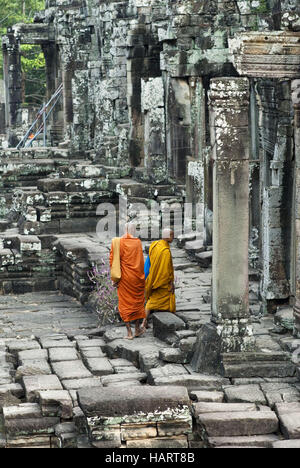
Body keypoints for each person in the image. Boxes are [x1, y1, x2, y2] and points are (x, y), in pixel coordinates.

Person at [110, 223, 146, 340]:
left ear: (124, 230)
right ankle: (137, 329)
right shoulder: (137, 242)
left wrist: (114, 278)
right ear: (133, 230)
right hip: (136, 278)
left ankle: (129, 333)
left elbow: (113, 260)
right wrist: (142, 277)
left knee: (125, 305)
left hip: (124, 278)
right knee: (136, 304)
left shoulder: (117, 242)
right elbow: (140, 262)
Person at [142, 229, 176, 330]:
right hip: (161, 281)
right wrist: (170, 282)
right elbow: (165, 271)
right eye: (172, 235)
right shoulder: (165, 252)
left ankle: (146, 321)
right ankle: (145, 322)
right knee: (153, 301)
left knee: (151, 300)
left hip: (152, 277)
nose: (173, 237)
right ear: (167, 237)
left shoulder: (155, 244)